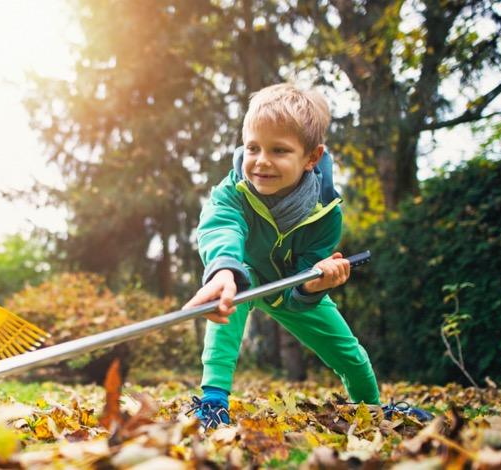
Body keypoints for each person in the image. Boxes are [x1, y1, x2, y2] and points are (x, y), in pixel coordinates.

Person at [183, 84, 432, 428]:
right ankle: (213, 401)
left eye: (279, 150)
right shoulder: (233, 191)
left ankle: (372, 409)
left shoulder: (326, 213)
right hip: (245, 274)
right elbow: (221, 227)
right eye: (253, 147)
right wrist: (224, 270)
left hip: (291, 289)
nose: (261, 161)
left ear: (311, 158)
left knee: (352, 356)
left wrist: (314, 285)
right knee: (229, 300)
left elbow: (302, 286)